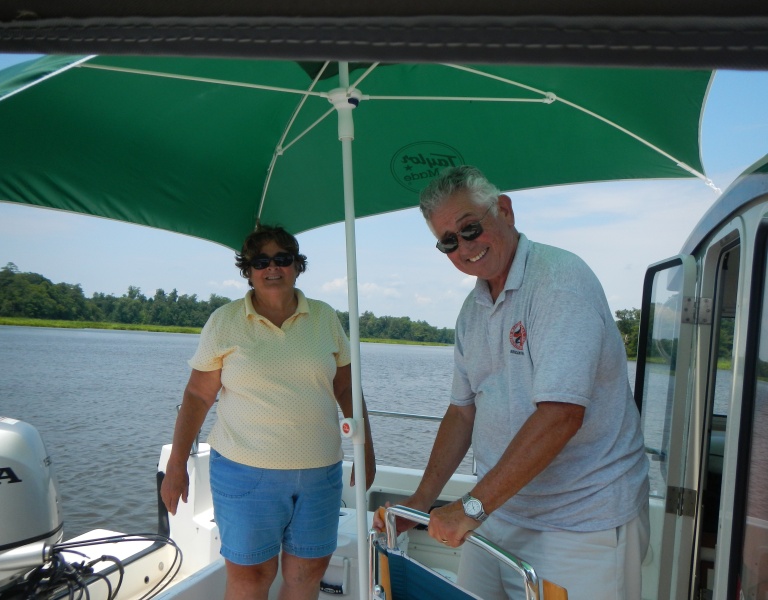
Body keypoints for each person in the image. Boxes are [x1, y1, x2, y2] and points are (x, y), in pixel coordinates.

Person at [375, 166, 649, 599]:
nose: (464, 247)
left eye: (470, 228)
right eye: (448, 241)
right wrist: (423, 499)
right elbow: (462, 411)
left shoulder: (559, 283)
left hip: (579, 523)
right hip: (499, 511)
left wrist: (471, 506)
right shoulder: (472, 310)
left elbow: (561, 414)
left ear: (504, 210)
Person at [161, 224, 376, 600]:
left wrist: (367, 451)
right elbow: (197, 395)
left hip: (319, 473)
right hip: (245, 474)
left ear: (297, 265)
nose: (272, 268)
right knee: (251, 577)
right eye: (260, 261)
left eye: (282, 259)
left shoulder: (325, 318)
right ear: (248, 270)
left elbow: (346, 387)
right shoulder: (225, 321)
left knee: (307, 573)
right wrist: (177, 464)